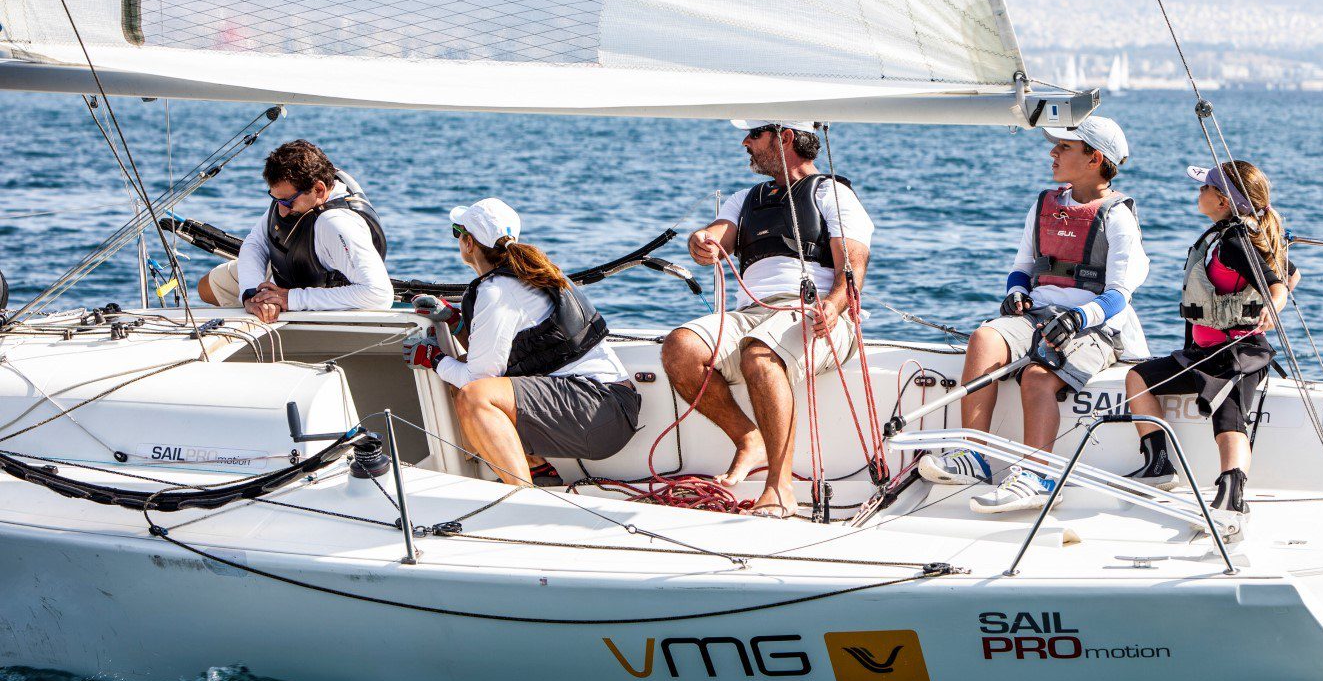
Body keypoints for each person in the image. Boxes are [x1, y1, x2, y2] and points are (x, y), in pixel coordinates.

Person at [918, 116, 1150, 514]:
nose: (1053, 152)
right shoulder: (1043, 204)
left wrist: (1076, 319)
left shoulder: (1117, 217)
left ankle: (1038, 476)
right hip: (1037, 314)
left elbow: (1118, 297)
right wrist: (1016, 293)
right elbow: (1020, 267)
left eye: (1064, 147)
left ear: (1095, 159)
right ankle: (974, 455)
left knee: (1038, 375)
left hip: (1093, 325)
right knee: (984, 338)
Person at [662, 120, 874, 518]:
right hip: (753, 314)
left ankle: (780, 489)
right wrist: (702, 241)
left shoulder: (833, 193)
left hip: (818, 314)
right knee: (680, 347)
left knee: (759, 355)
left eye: (753, 135)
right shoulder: (747, 198)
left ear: (785, 137)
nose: (745, 142)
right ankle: (748, 438)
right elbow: (718, 236)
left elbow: (853, 267)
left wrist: (833, 304)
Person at [403, 198, 640, 487]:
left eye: (458, 232)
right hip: (606, 411)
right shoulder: (530, 275)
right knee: (471, 379)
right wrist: (455, 321)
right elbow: (500, 355)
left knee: (474, 395)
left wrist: (434, 358)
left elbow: (477, 378)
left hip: (599, 411)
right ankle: (540, 474)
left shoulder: (497, 291)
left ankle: (523, 496)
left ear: (468, 243)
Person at [1122, 160, 1293, 538]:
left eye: (1204, 189)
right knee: (1139, 379)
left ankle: (1231, 497)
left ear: (1222, 200)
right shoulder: (1227, 236)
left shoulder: (1235, 242)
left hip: (1238, 352)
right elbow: (1291, 271)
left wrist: (1272, 304)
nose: (1197, 193)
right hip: (1204, 353)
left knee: (1228, 417)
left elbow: (1278, 281)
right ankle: (1158, 464)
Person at [196, 139, 391, 321]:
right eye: (276, 200)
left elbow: (378, 294)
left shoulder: (336, 223)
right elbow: (256, 242)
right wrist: (251, 294)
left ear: (319, 190)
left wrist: (290, 299)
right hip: (283, 271)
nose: (281, 209)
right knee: (205, 288)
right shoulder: (291, 195)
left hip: (316, 290)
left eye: (287, 202)